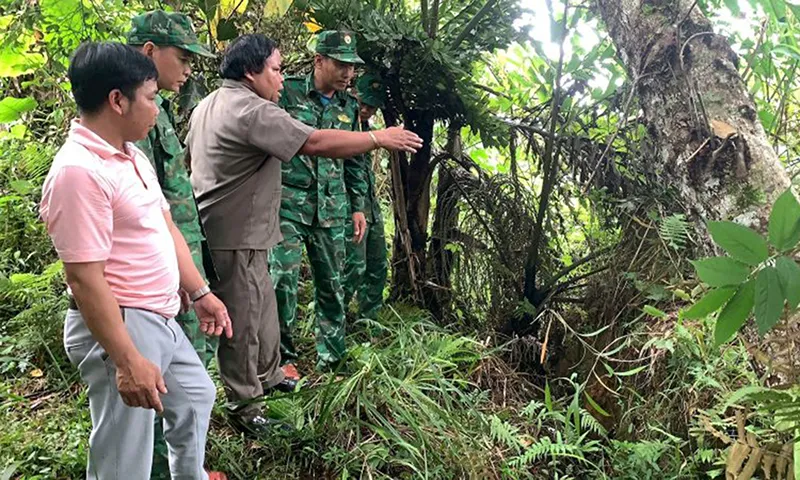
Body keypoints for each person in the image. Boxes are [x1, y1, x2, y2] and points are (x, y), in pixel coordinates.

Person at [186, 33, 422, 436]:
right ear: (250, 71)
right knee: (241, 323)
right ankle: (246, 406)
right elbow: (312, 142)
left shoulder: (209, 102)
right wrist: (377, 138)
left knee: (262, 312)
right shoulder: (252, 110)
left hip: (246, 231)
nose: (281, 79)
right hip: (236, 233)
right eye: (276, 70)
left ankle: (269, 374)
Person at [39, 41, 232, 480]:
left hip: (159, 317)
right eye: (149, 97)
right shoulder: (78, 172)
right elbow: (84, 278)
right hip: (123, 323)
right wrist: (126, 360)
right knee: (124, 455)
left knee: (196, 396)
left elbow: (166, 229)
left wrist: (200, 291)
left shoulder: (131, 155)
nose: (156, 107)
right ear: (117, 100)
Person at [125, 11, 225, 480]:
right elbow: (141, 214)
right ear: (149, 52)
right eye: (182, 58)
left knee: (191, 383)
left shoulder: (156, 105)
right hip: (152, 279)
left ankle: (186, 469)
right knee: (160, 383)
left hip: (178, 263)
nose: (188, 70)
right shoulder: (128, 113)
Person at [269, 30, 368, 380]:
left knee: (333, 282)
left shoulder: (350, 106)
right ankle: (281, 358)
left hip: (331, 207)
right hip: (288, 204)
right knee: (283, 280)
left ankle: (332, 357)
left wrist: (358, 206)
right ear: (319, 61)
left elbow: (356, 161)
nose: (347, 74)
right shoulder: (288, 92)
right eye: (341, 65)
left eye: (352, 67)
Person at [343, 72, 389, 324]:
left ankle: (368, 320)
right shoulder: (340, 125)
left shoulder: (367, 128)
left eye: (371, 106)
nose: (365, 109)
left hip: (370, 206)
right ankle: (333, 320)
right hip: (349, 207)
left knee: (377, 264)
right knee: (353, 267)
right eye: (362, 103)